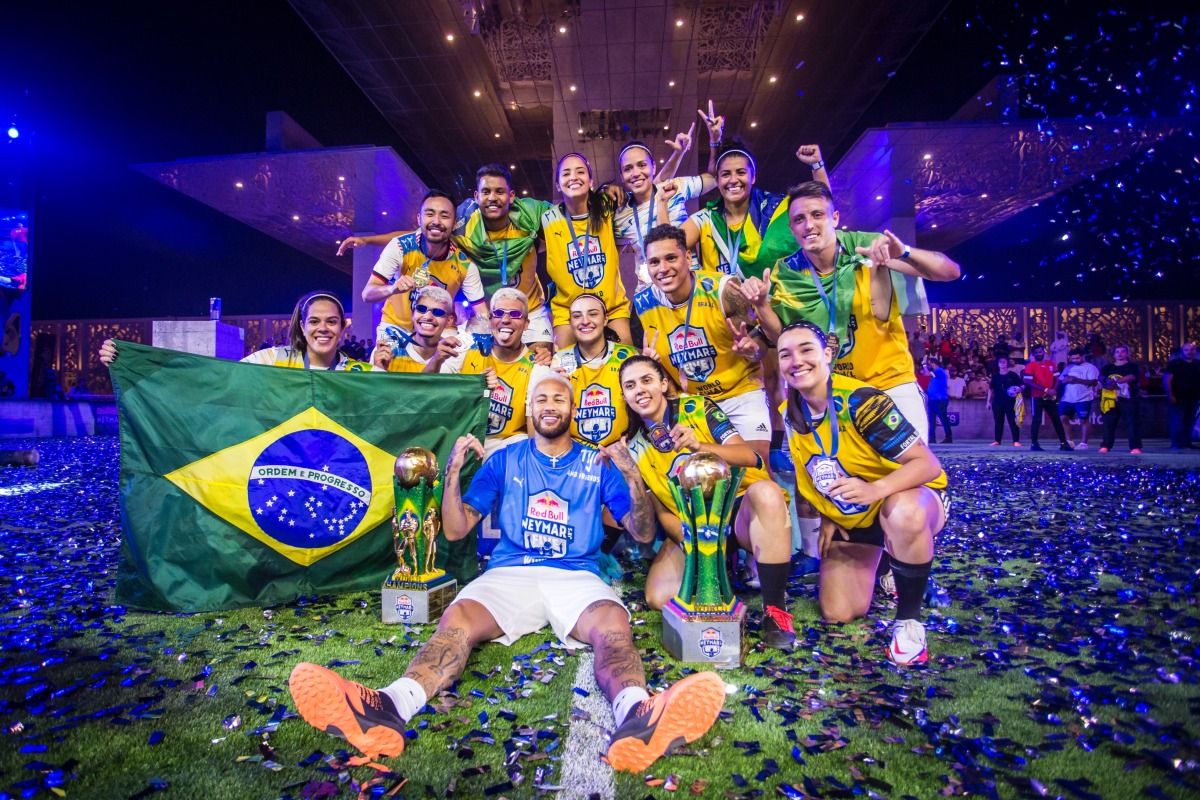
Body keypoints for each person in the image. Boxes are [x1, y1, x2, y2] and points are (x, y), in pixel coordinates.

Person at [288, 370, 726, 773]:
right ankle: (388, 705)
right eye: (541, 399)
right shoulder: (503, 461)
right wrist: (455, 472)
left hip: (576, 574)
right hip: (509, 573)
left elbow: (644, 534)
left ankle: (637, 713)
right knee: (456, 621)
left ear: (573, 410)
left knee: (612, 625)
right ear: (530, 410)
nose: (550, 405)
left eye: (559, 399)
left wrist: (631, 473)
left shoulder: (599, 463)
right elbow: (457, 531)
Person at [777, 322, 948, 665]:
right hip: (855, 515)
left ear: (827, 354)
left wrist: (875, 489)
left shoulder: (861, 400)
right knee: (838, 613)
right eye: (785, 354)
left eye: (806, 349)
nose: (796, 360)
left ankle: (908, 622)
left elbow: (927, 465)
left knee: (902, 514)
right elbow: (816, 469)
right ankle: (888, 559)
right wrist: (828, 514)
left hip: (905, 497)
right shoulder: (790, 412)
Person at [752, 181, 962, 444]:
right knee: (841, 482)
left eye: (817, 215)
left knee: (911, 474)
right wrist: (760, 304)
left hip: (890, 385)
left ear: (835, 218)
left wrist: (905, 252)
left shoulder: (868, 248)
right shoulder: (786, 272)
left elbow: (950, 272)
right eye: (799, 219)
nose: (809, 225)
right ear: (792, 228)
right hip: (834, 394)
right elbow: (782, 335)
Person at [619, 356, 795, 648]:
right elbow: (664, 514)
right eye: (630, 385)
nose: (640, 390)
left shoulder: (698, 408)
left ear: (663, 384)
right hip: (693, 527)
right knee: (658, 596)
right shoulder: (635, 447)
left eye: (647, 380)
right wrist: (700, 550)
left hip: (737, 511)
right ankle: (718, 565)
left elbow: (750, 457)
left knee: (767, 493)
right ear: (624, 395)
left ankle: (775, 610)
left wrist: (699, 446)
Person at [339, 165, 556, 357]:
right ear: (476, 196)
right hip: (409, 326)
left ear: (511, 196)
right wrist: (367, 241)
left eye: (499, 191)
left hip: (527, 307)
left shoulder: (528, 216)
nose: (492, 198)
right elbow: (412, 235)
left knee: (539, 360)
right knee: (390, 368)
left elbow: (565, 220)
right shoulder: (452, 227)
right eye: (486, 192)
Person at [634, 225, 771, 466]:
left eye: (671, 258)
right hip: (693, 401)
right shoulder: (641, 305)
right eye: (654, 262)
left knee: (755, 467)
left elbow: (759, 346)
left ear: (688, 258)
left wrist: (753, 350)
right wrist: (651, 366)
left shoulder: (725, 291)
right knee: (704, 475)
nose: (663, 268)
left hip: (740, 392)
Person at [99, 291, 371, 371]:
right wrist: (131, 360)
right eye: (314, 321)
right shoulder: (271, 361)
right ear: (302, 325)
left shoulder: (358, 374)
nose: (323, 329)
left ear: (343, 328)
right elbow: (214, 375)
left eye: (331, 322)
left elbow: (401, 394)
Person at [360, 190, 489, 353]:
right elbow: (367, 294)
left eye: (444, 216)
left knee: (453, 366)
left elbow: (481, 313)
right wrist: (392, 289)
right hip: (396, 328)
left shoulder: (465, 264)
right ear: (419, 218)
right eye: (430, 214)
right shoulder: (399, 246)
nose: (436, 221)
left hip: (441, 331)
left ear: (454, 223)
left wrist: (470, 339)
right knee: (382, 368)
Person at [428, 288, 537, 458]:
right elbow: (429, 389)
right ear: (490, 318)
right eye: (499, 313)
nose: (506, 320)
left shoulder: (536, 364)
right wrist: (436, 359)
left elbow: (535, 434)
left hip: (504, 448)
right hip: (463, 439)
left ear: (526, 323)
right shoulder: (468, 347)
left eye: (514, 314)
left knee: (522, 443)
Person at [541, 153, 631, 347]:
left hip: (611, 308)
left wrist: (608, 189)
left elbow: (646, 194)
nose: (573, 177)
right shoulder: (547, 218)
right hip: (568, 310)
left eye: (580, 172)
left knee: (626, 364)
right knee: (563, 368)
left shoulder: (608, 207)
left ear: (591, 181)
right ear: (558, 185)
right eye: (566, 174)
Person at [611, 131, 713, 283]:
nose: (636, 173)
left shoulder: (674, 187)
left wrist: (714, 139)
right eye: (628, 169)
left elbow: (714, 177)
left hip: (689, 285)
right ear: (621, 176)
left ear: (653, 167)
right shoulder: (621, 214)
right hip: (650, 294)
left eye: (642, 165)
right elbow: (610, 256)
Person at [551, 294, 637, 448]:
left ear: (605, 319)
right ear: (570, 323)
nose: (585, 321)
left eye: (593, 314)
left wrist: (651, 369)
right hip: (577, 452)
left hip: (624, 447)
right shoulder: (559, 360)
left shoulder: (628, 357)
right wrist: (556, 388)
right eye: (577, 316)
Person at [372, 286, 456, 373]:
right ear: (412, 314)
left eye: (438, 312)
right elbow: (373, 386)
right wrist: (378, 369)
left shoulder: (455, 356)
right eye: (421, 309)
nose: (427, 317)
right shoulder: (389, 349)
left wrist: (437, 360)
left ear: (449, 321)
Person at [1023, 344, 1071, 452]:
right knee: (1037, 420)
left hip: (1050, 396)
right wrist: (1045, 389)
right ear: (1033, 354)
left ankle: (1064, 443)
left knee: (1056, 419)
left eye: (1041, 352)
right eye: (1036, 352)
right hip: (1037, 397)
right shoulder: (1030, 366)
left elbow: (1057, 379)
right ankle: (1034, 444)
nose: (1039, 354)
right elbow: (1028, 382)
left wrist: (1053, 390)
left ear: (1044, 352)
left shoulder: (1051, 364)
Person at [1099, 345, 1142, 454]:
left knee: (1131, 422)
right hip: (1110, 399)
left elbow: (1132, 377)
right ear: (1114, 354)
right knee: (1109, 423)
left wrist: (1116, 382)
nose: (1120, 354)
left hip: (1128, 399)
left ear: (1127, 354)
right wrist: (1107, 382)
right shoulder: (1107, 368)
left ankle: (1135, 447)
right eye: (1117, 352)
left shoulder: (1132, 366)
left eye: (1123, 352)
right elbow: (1101, 378)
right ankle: (1106, 446)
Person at [1057, 348, 1099, 449]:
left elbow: (1094, 382)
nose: (1075, 360)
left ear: (1083, 356)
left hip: (1083, 398)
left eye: (1077, 358)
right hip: (1067, 398)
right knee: (1063, 417)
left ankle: (1084, 443)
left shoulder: (1090, 368)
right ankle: (1069, 441)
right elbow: (1061, 380)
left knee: (1084, 419)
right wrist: (1065, 381)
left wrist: (1077, 380)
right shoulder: (1068, 368)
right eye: (1073, 359)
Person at [1164, 342, 1199, 450]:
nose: (1189, 352)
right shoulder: (1175, 364)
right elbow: (1167, 380)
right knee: (1177, 421)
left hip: (1193, 398)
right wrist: (1170, 395)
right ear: (1182, 351)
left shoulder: (1198, 364)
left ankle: (1187, 443)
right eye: (1187, 350)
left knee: (1189, 422)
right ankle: (1176, 444)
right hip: (1178, 397)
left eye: (1191, 350)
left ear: (1195, 351)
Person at [986, 357, 1023, 446]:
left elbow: (1022, 385)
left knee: (1012, 421)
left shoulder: (1013, 375)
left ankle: (1016, 441)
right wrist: (988, 401)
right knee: (998, 421)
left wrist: (1019, 389)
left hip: (1010, 402)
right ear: (998, 364)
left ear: (1007, 364)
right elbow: (991, 389)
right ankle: (997, 440)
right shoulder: (995, 376)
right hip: (998, 401)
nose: (1002, 363)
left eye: (1004, 362)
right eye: (1000, 362)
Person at [926, 359, 953, 444]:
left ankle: (948, 437)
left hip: (940, 399)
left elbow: (926, 373)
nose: (928, 366)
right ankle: (932, 438)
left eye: (929, 364)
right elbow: (923, 373)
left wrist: (923, 365)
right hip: (933, 399)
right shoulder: (935, 372)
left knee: (943, 419)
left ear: (933, 364)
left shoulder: (939, 371)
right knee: (931, 419)